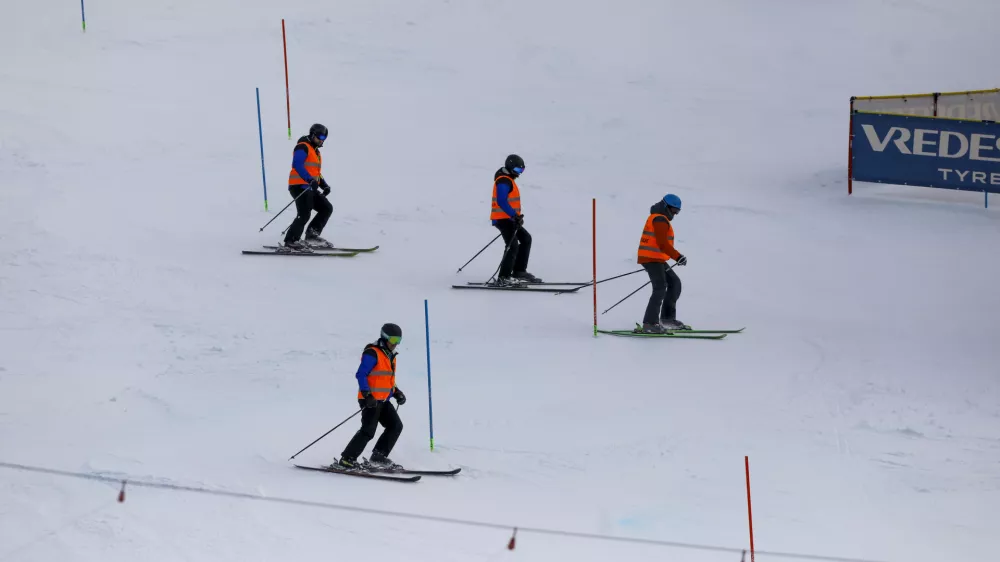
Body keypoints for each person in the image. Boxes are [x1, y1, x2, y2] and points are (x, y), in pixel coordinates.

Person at [339, 323, 407, 470]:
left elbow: (386, 379)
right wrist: (367, 394)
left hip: (383, 399)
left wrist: (397, 392)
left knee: (395, 426)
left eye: (399, 340)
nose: (396, 344)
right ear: (385, 337)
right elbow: (361, 374)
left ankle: (379, 455)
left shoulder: (391, 356)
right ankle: (347, 459)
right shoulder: (372, 353)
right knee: (368, 430)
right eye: (394, 340)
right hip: (370, 399)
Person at [636, 194, 689, 333]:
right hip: (651, 258)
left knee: (674, 283)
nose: (675, 214)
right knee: (660, 287)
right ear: (665, 206)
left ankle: (667, 319)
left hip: (657, 258)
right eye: (673, 210)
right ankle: (650, 324)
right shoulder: (659, 219)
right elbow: (662, 243)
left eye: (677, 211)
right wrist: (678, 257)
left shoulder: (662, 218)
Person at [280, 123, 334, 252]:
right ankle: (291, 241)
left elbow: (315, 172)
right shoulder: (302, 147)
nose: (322, 140)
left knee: (326, 208)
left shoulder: (316, 152)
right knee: (304, 213)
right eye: (320, 137)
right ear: (313, 134)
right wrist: (309, 180)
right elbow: (297, 165)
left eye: (324, 138)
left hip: (310, 187)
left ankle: (312, 235)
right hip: (298, 185)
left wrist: (324, 185)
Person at [490, 154, 542, 285]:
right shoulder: (503, 181)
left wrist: (516, 217)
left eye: (522, 170)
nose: (519, 173)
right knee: (512, 246)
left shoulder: (508, 179)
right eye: (518, 170)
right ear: (511, 167)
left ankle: (519, 271)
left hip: (510, 219)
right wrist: (514, 215)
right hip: (503, 219)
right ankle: (504, 277)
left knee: (526, 239)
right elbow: (502, 201)